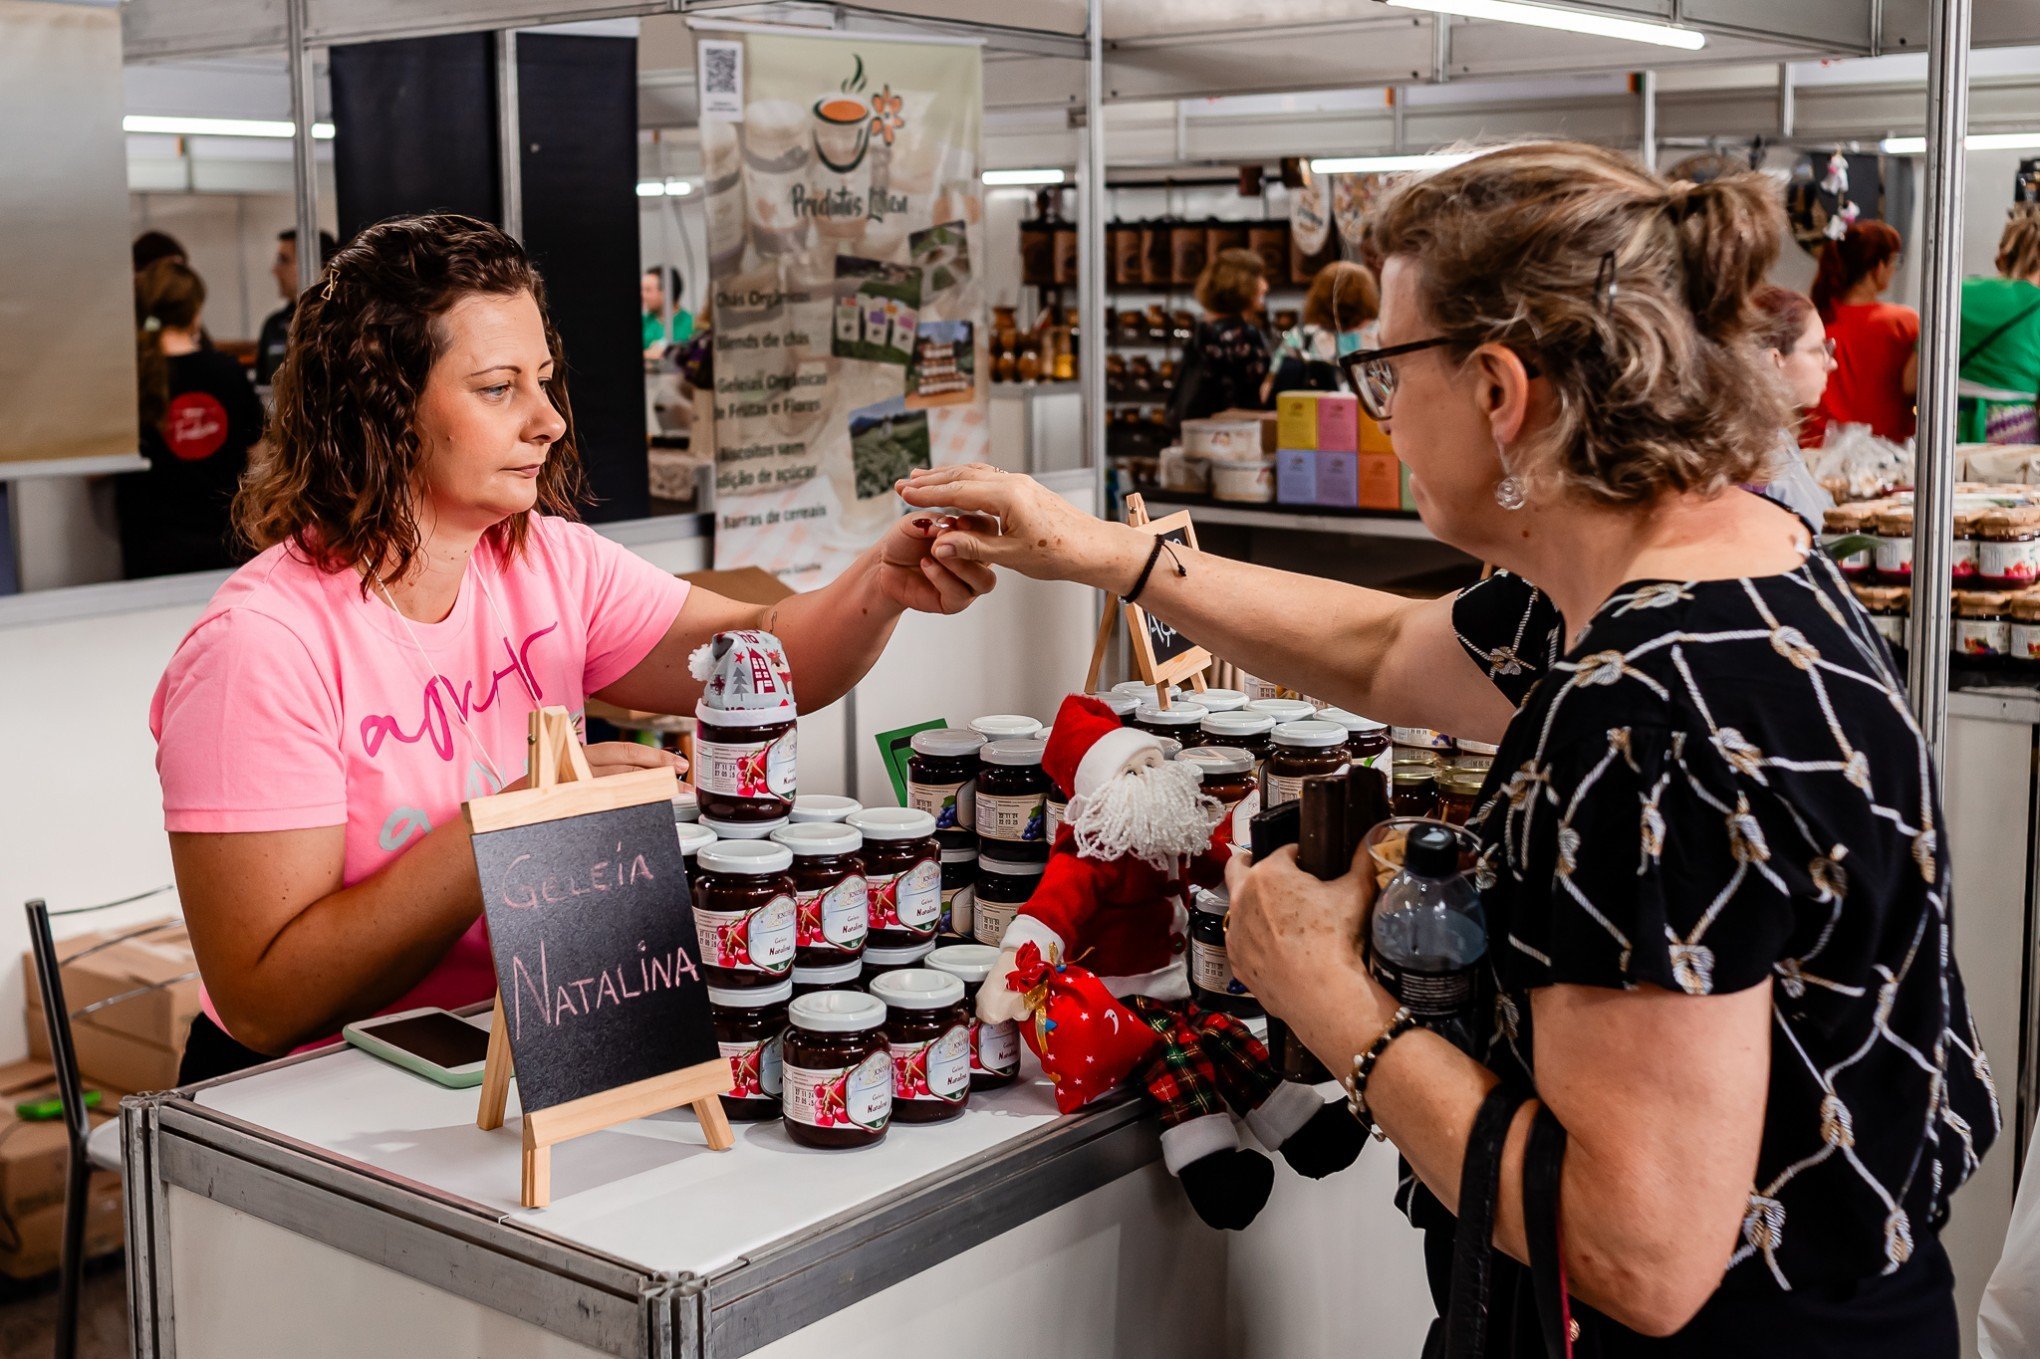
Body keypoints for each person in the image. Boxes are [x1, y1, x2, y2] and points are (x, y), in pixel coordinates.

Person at [900, 141, 1996, 1353]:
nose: (1383, 416)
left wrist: (1335, 1003)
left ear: (1497, 392)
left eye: (1386, 370)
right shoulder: (1724, 562)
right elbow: (1386, 651)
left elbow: (1635, 1251)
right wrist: (1111, 554)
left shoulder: (1644, 712)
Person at [152, 214, 993, 1081]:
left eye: (545, 380)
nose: (549, 419)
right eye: (497, 388)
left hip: (508, 1051)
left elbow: (770, 653)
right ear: (383, 404)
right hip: (306, 1092)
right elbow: (265, 999)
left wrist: (880, 585)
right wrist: (527, 815)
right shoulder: (260, 647)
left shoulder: (544, 560)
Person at [119, 259, 266, 579]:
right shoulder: (227, 372)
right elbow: (259, 458)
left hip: (150, 553)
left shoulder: (131, 379)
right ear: (195, 312)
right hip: (223, 549)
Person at [1808, 220, 1918, 446]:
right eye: (1893, 261)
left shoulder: (1816, 319)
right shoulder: (1903, 323)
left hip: (1817, 450)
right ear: (1878, 267)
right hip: (1885, 453)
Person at [1750, 285, 1837, 523]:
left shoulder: (1776, 437)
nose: (1831, 364)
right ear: (1775, 359)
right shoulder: (1757, 456)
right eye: (1819, 350)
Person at [1957, 207, 2040, 444]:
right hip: (2013, 431)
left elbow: (1911, 380)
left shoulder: (1958, 292)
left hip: (1951, 426)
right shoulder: (2037, 304)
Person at [1169, 247, 1271, 424]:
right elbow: (1255, 397)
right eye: (1258, 277)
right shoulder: (1244, 336)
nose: (1265, 285)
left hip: (1198, 435)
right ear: (1243, 284)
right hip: (1233, 435)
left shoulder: (1203, 331)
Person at [1264, 259, 1379, 400]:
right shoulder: (1379, 335)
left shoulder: (1301, 336)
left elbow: (1269, 387)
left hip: (1312, 417)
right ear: (1367, 295)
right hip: (1370, 418)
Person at [255, 227, 339, 387]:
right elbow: (263, 388)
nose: (275, 270)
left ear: (313, 265)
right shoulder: (273, 325)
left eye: (284, 260)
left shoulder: (337, 321)